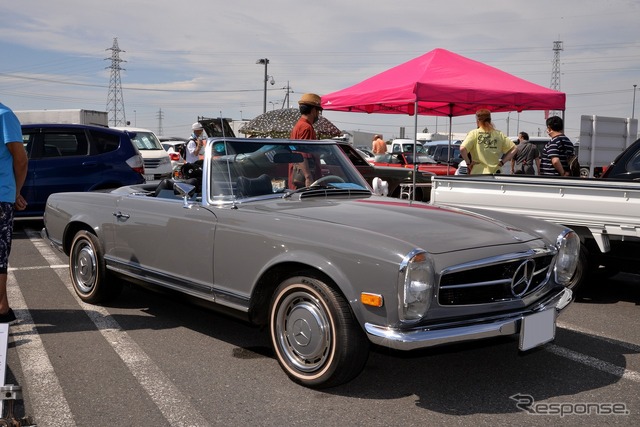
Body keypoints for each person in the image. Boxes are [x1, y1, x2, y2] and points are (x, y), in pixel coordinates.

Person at [0, 102, 28, 323]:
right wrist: (16, 191)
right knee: (0, 254)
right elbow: (20, 160)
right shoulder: (5, 115)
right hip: (1, 196)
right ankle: (1, 308)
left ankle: (3, 305)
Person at [460, 109, 516, 175]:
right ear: (490, 120)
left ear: (478, 120)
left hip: (478, 173)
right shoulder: (499, 134)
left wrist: (468, 163)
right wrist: (502, 162)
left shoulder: (474, 133)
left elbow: (462, 149)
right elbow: (515, 149)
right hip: (495, 173)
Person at [289, 93, 322, 187]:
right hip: (304, 182)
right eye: (318, 111)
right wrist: (308, 177)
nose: (318, 115)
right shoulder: (306, 127)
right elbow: (301, 154)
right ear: (313, 110)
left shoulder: (300, 125)